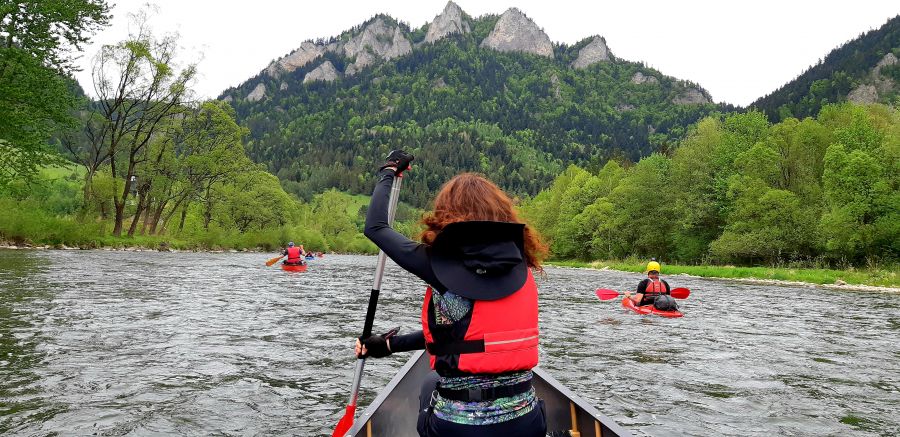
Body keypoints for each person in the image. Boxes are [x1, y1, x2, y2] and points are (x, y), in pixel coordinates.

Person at [356, 150, 548, 437]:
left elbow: (376, 227)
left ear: (447, 217)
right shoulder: (522, 266)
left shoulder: (436, 265)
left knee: (427, 384)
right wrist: (388, 345)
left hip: (458, 429)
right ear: (502, 215)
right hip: (527, 424)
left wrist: (388, 173)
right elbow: (465, 338)